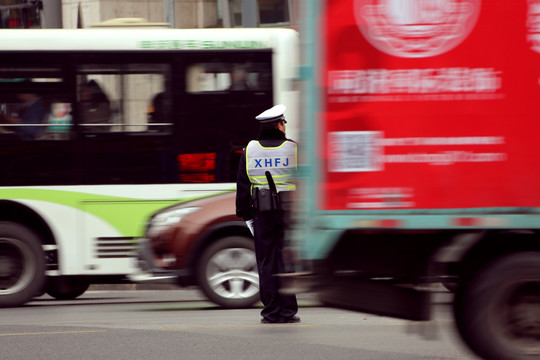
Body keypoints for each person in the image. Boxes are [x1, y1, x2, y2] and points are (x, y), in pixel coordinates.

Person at [236, 104, 300, 324]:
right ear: (279, 125)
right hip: (288, 214)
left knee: (265, 262)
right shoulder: (293, 149)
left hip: (261, 214)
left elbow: (243, 185)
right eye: (284, 123)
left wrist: (245, 214)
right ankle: (287, 311)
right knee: (285, 261)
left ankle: (270, 312)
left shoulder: (250, 150)